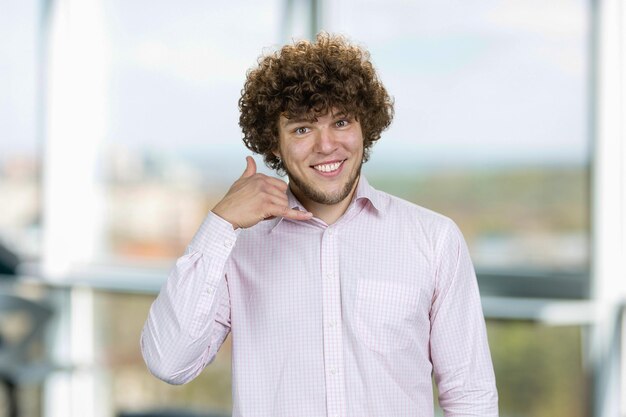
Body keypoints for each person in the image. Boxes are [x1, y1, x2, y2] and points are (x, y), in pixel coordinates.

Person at [141, 33, 498, 417]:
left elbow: (470, 396)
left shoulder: (434, 240)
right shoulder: (236, 246)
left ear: (366, 128)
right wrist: (219, 223)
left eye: (341, 121)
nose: (326, 145)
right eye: (302, 129)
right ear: (274, 145)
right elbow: (169, 362)